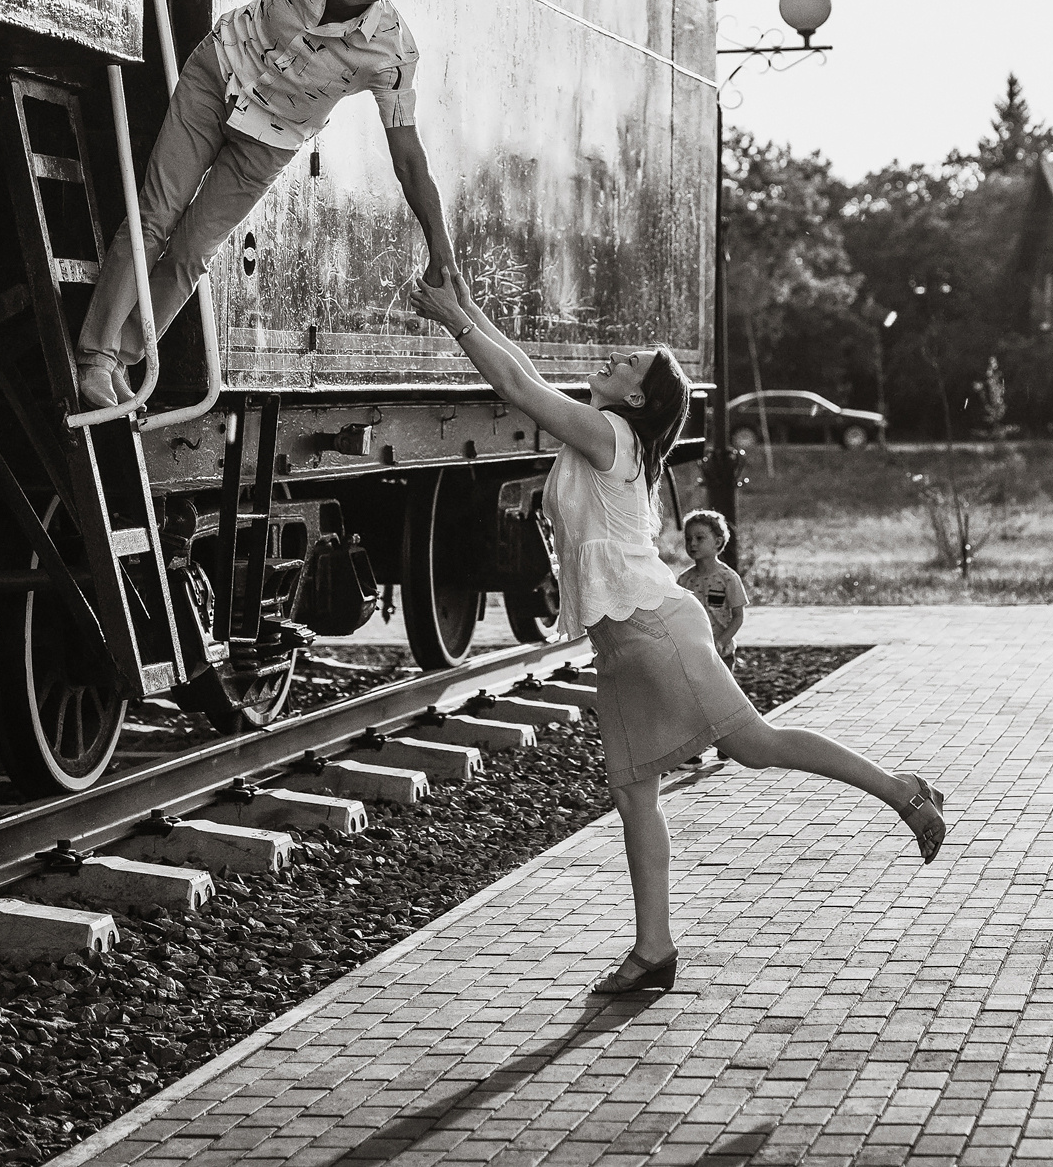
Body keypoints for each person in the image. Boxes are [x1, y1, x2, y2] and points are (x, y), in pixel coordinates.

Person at [405, 272, 948, 996]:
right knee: (636, 797)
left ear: (635, 398)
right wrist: (463, 305)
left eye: (630, 363)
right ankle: (653, 948)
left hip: (654, 630)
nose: (617, 358)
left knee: (753, 744)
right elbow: (527, 374)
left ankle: (901, 790)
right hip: (622, 643)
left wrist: (455, 323)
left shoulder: (612, 435)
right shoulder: (605, 429)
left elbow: (519, 388)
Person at [75, 0, 459, 410]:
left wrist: (440, 243)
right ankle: (94, 359)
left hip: (272, 139)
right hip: (219, 77)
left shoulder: (392, 50)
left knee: (192, 252)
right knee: (154, 218)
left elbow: (408, 155)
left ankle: (122, 355)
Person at [677, 508, 748, 668]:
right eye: (688, 539)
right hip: (693, 652)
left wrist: (721, 642)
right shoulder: (684, 579)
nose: (692, 543)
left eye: (700, 538)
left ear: (717, 542)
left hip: (720, 654)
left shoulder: (728, 578)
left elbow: (738, 616)